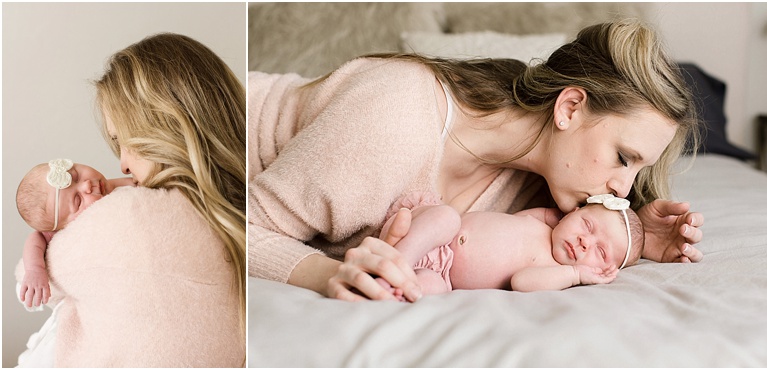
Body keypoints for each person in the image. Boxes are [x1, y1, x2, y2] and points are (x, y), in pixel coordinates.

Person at [247, 20, 705, 303]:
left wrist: (641, 238)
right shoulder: (397, 120)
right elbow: (239, 224)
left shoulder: (540, 192)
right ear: (568, 108)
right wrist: (329, 274)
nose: (623, 189)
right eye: (624, 158)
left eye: (639, 170)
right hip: (204, 127)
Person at [16, 33, 246, 367]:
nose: (121, 164)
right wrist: (35, 269)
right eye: (75, 202)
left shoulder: (133, 214)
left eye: (127, 140)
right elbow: (34, 247)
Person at [374, 193, 643, 298]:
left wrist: (575, 275)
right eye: (587, 225)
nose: (586, 241)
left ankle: (394, 284)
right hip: (438, 236)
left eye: (600, 251)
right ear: (573, 211)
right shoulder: (544, 222)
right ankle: (398, 260)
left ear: (603, 271)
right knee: (445, 216)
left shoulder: (555, 272)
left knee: (429, 289)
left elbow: (521, 282)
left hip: (444, 276)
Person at [15, 159, 135, 310]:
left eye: (75, 176)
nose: (87, 185)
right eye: (78, 200)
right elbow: (36, 238)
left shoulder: (121, 186)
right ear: (60, 227)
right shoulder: (63, 232)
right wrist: (35, 270)